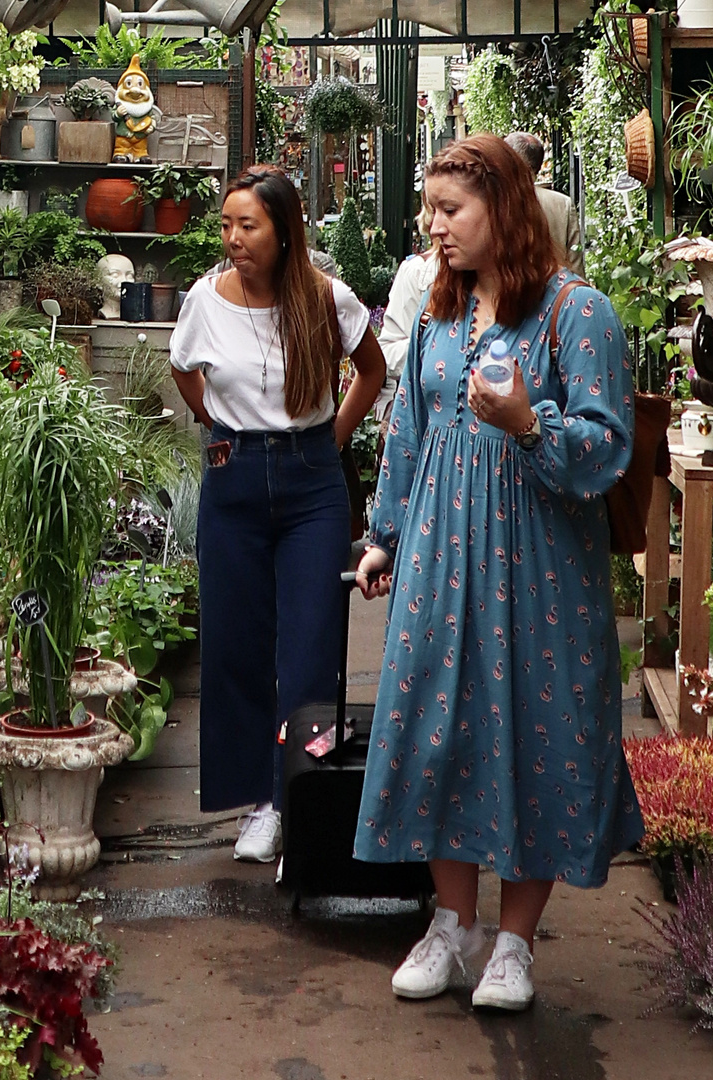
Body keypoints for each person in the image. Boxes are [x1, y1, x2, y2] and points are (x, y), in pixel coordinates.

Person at [353, 135, 641, 1012]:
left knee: (534, 733)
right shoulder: (439, 318)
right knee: (435, 732)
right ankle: (451, 924)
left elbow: (609, 448)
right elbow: (408, 434)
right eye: (430, 209)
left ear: (505, 212)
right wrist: (383, 536)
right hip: (439, 558)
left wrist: (526, 423)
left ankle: (513, 944)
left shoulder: (575, 313)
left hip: (543, 574)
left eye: (451, 210)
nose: (433, 226)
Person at [170, 165, 385, 863]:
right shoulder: (206, 300)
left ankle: (306, 799)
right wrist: (214, 420)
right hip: (233, 480)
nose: (233, 239)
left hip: (311, 485)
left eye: (248, 226)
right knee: (234, 645)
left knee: (312, 647)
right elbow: (183, 369)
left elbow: (373, 371)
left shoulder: (326, 298)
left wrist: (333, 438)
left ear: (284, 231)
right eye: (226, 225)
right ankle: (260, 801)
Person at [374, 195, 437, 418]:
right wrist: (437, 346)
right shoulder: (418, 272)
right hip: (423, 413)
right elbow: (388, 352)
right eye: (440, 210)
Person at [505, 131, 585, 277]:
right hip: (555, 294)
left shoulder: (494, 200)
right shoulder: (562, 204)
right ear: (539, 166)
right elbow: (576, 268)